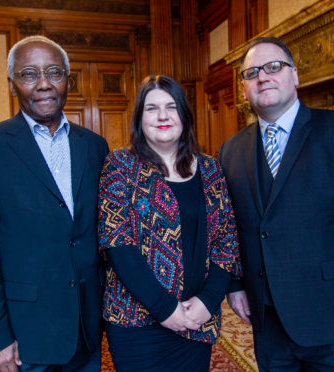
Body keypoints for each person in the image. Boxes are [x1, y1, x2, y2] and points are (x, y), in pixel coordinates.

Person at [219, 37, 334, 371]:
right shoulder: (230, 151)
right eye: (252, 72)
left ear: (295, 75)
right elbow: (230, 226)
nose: (263, 76)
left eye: (274, 67)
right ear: (244, 89)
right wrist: (236, 284)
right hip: (268, 322)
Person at [0, 35, 109, 372]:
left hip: (86, 326)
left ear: (68, 79)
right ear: (12, 84)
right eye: (28, 74)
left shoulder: (94, 146)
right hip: (25, 335)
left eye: (54, 72)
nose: (43, 84)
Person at [98, 75, 242, 372]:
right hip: (137, 324)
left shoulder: (211, 168)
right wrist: (166, 310)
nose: (162, 116)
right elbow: (118, 245)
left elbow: (226, 240)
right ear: (140, 118)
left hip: (198, 319)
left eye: (171, 106)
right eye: (152, 108)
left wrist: (209, 300)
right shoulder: (120, 165)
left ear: (184, 116)